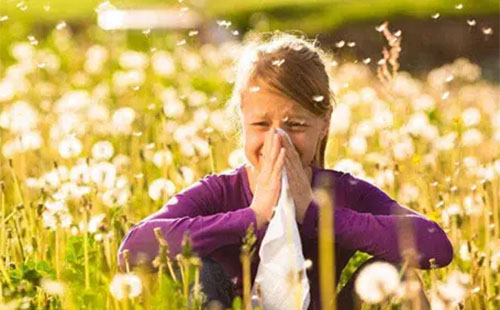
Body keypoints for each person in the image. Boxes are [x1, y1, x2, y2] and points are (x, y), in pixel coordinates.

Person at [117, 31, 454, 310]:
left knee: (399, 275)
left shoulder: (343, 192)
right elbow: (133, 249)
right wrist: (254, 216)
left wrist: (316, 214)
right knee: (198, 271)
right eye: (261, 124)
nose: (278, 140)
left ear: (323, 125)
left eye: (295, 125)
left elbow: (436, 245)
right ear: (242, 123)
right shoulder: (220, 192)